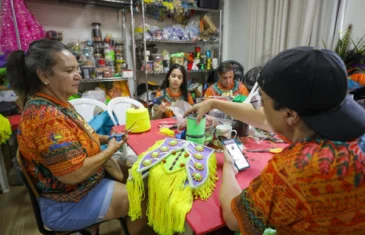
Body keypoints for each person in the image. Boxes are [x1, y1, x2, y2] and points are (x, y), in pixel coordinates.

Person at [185, 47, 365, 234]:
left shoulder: (292, 170)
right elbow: (263, 118)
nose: (259, 107)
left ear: (290, 114)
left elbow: (234, 219)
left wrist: (229, 167)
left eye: (261, 100)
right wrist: (213, 102)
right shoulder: (353, 134)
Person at [6, 39, 146, 235]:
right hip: (66, 204)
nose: (78, 75)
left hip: (82, 189)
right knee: (142, 198)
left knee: (139, 176)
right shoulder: (46, 118)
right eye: (69, 70)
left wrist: (105, 139)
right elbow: (73, 174)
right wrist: (111, 151)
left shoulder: (58, 104)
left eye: (77, 69)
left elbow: (78, 137)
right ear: (44, 75)